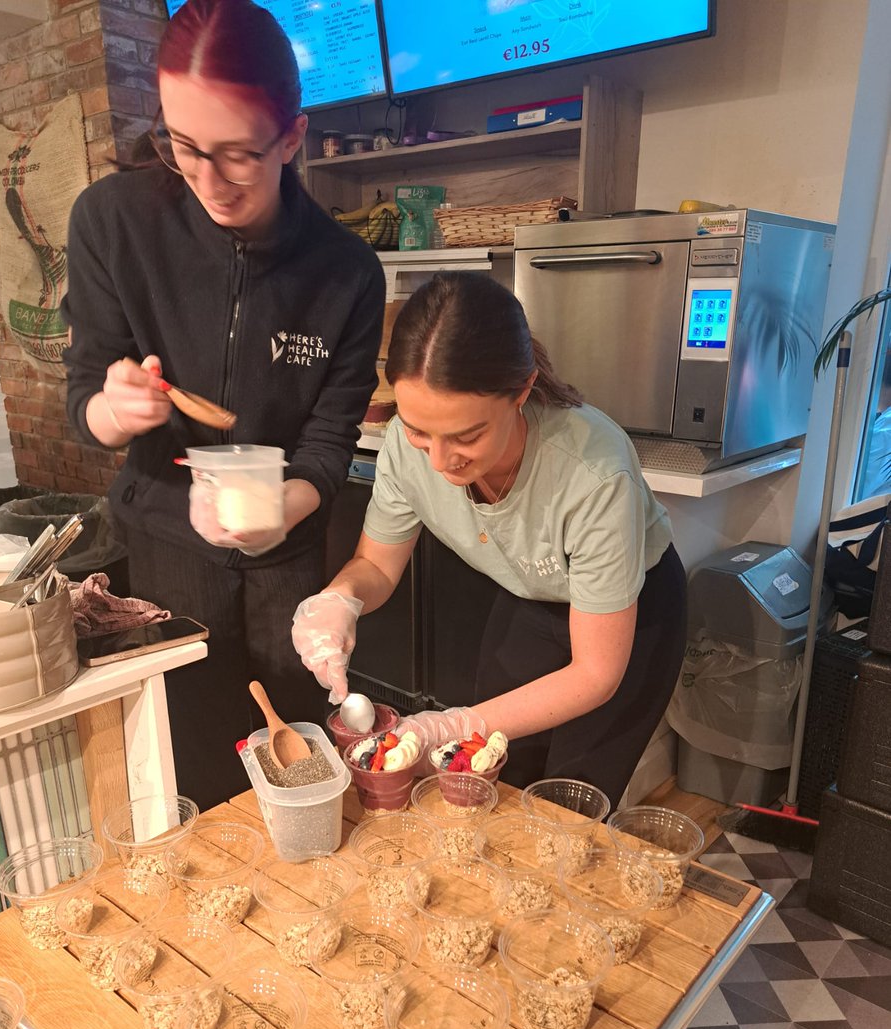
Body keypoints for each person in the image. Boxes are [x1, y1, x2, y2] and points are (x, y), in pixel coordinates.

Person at [62, 0, 385, 807]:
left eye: (238, 154)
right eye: (184, 146)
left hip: (287, 556)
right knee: (190, 769)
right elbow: (85, 398)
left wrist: (282, 509)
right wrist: (111, 409)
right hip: (164, 542)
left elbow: (329, 443)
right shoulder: (112, 223)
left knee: (299, 762)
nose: (209, 180)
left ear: (291, 137)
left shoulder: (345, 271)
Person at [292, 272, 687, 804]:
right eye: (418, 430)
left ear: (521, 390)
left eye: (467, 435)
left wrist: (452, 724)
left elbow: (595, 673)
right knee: (494, 771)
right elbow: (378, 566)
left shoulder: (592, 473)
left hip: (631, 616)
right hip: (529, 596)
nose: (439, 460)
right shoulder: (408, 451)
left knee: (568, 804)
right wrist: (340, 599)